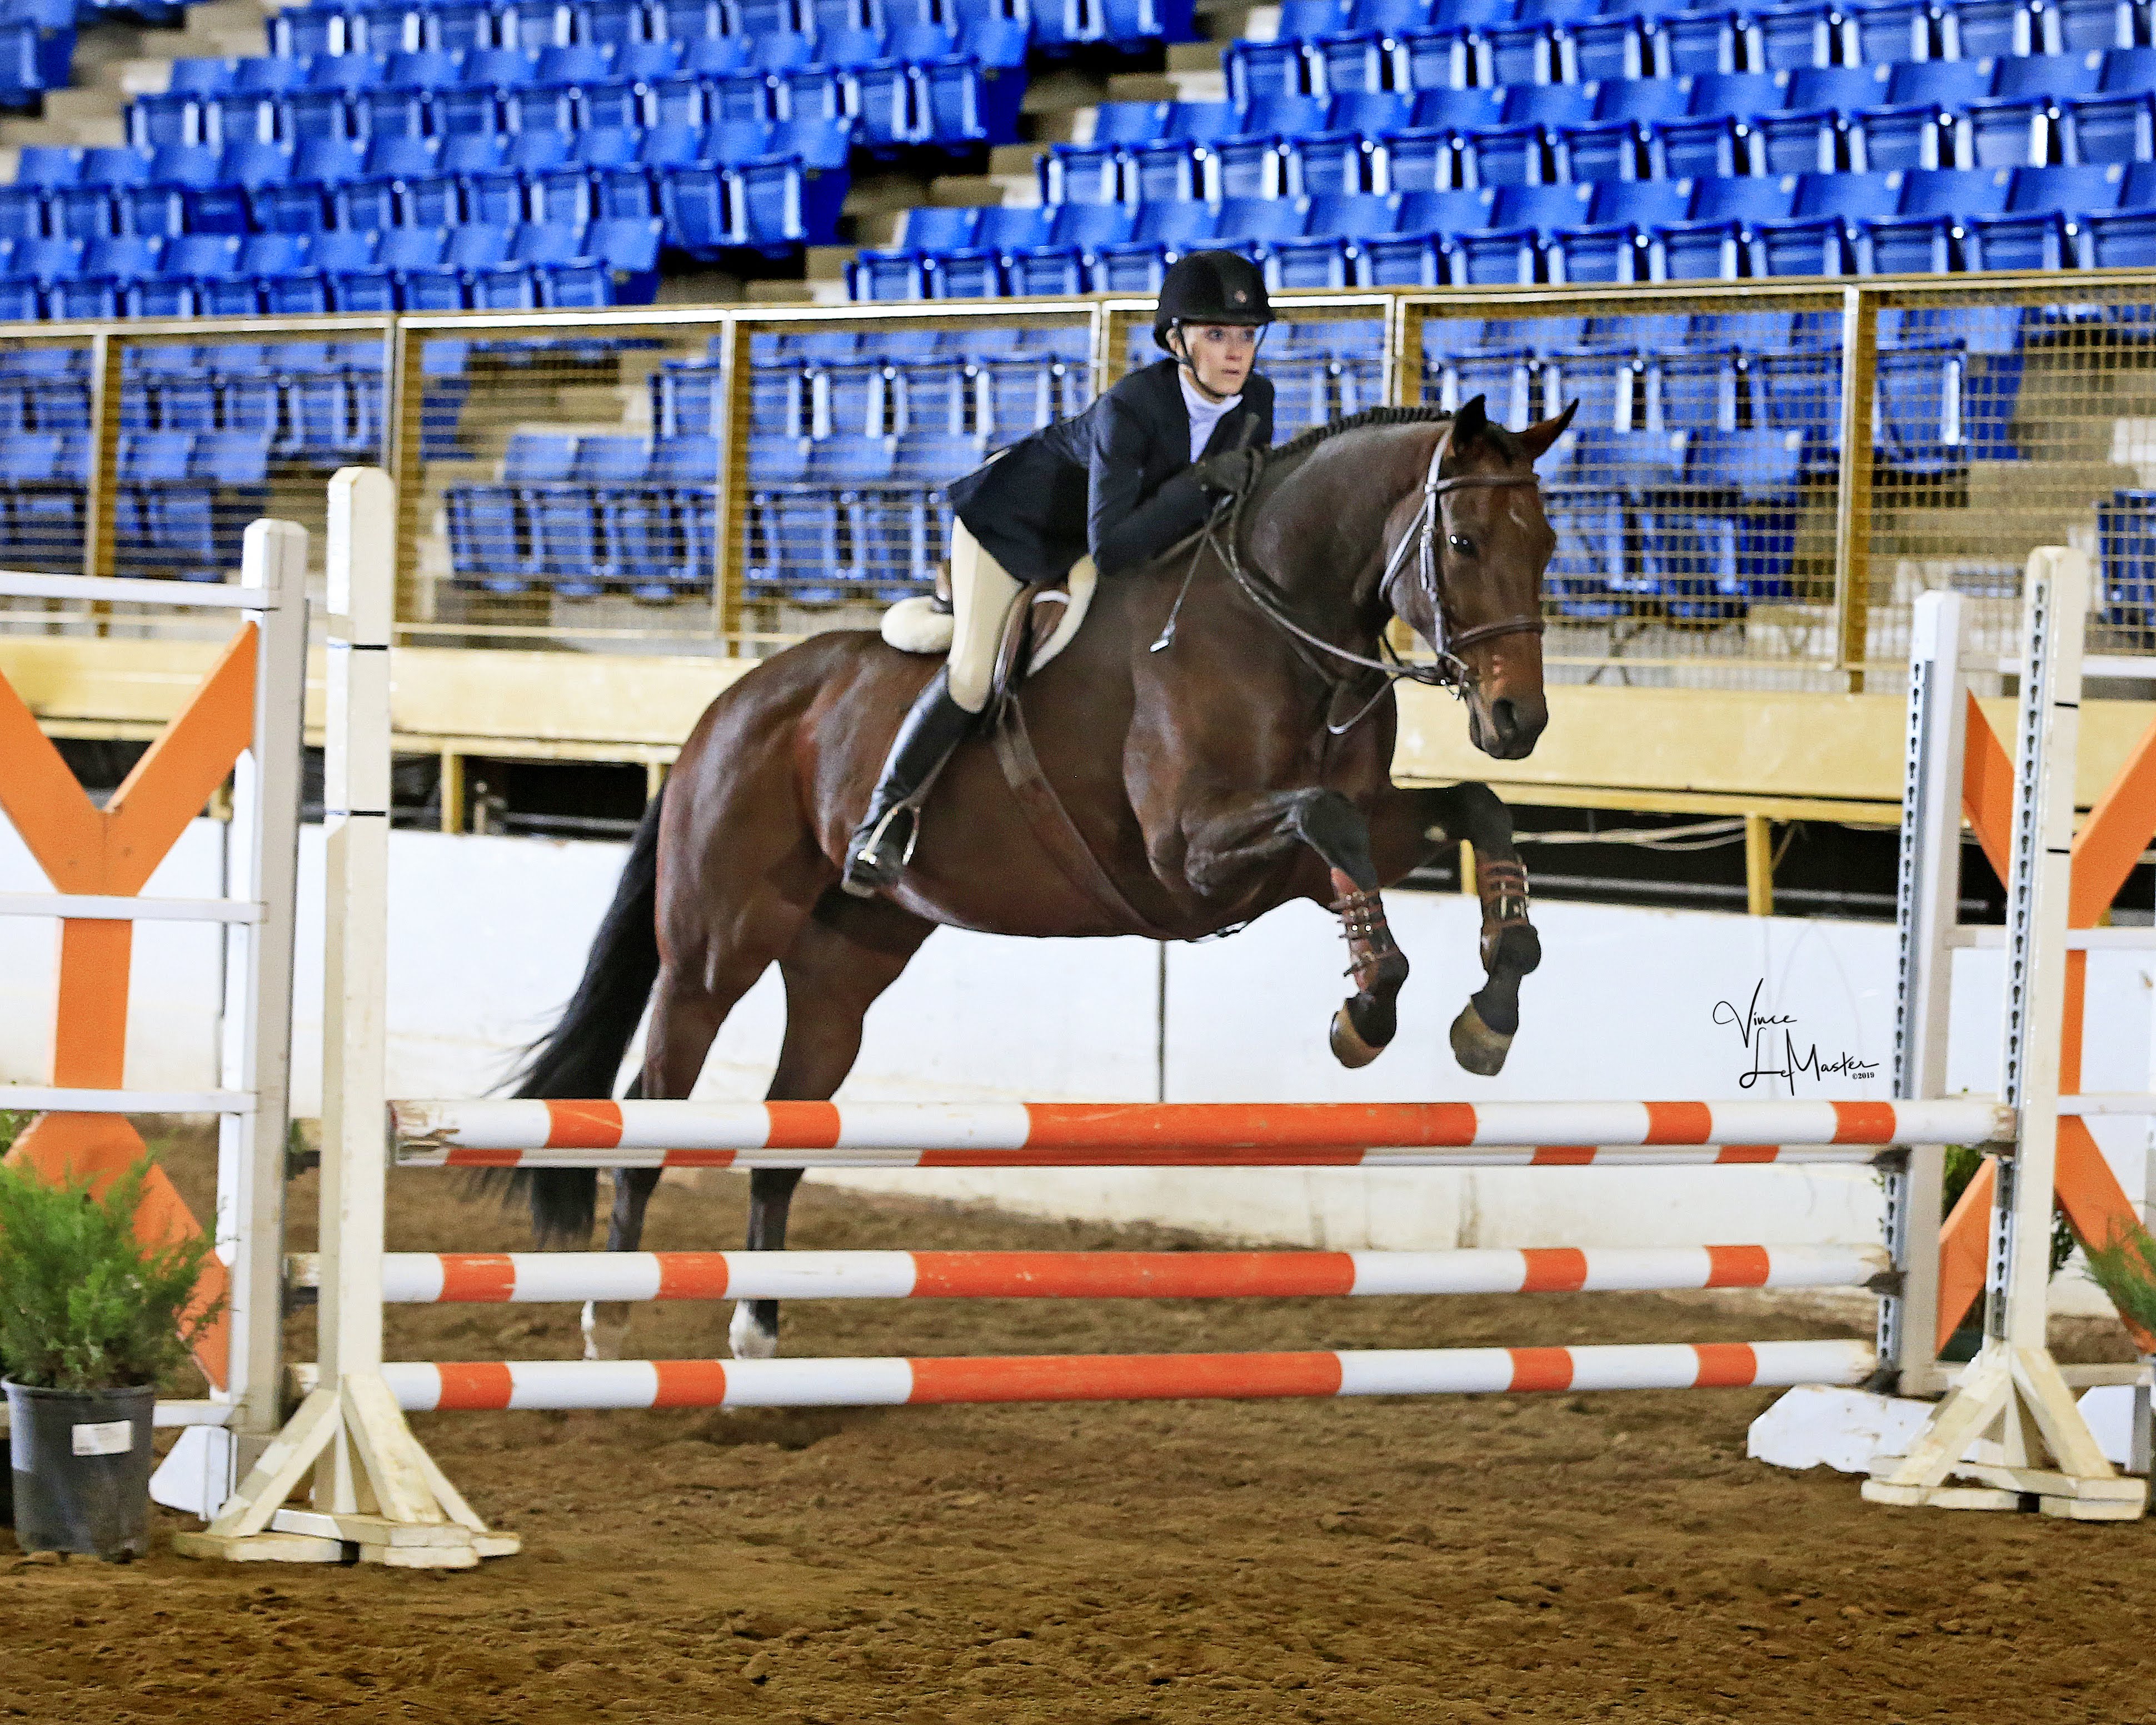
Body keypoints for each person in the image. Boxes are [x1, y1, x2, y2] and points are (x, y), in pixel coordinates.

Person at [842, 249, 1279, 896]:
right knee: (972, 672)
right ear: (1176, 341)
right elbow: (1114, 548)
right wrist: (1197, 486)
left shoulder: (1256, 401)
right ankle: (883, 820)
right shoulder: (1132, 406)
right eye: (1215, 334)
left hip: (1102, 535)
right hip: (1016, 527)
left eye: (1246, 335)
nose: (1235, 352)